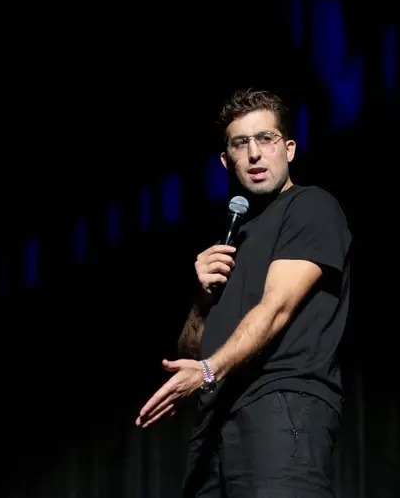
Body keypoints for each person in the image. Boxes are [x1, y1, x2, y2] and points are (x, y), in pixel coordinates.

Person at [135, 89, 352, 497]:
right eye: (240, 143)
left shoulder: (311, 207)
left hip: (280, 406)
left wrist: (207, 371)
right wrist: (202, 299)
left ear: (289, 149)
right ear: (226, 161)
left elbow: (276, 308)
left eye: (266, 139)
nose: (254, 154)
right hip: (215, 423)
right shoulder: (232, 242)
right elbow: (190, 353)